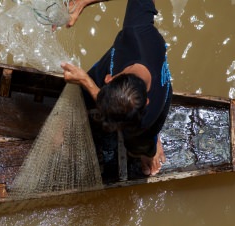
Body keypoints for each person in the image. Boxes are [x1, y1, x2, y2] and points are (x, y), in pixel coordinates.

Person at [60, 0, 172, 176]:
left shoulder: (145, 117)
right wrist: (83, 3)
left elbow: (120, 116)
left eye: (107, 81)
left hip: (148, 119)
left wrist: (86, 81)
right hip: (115, 67)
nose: (106, 78)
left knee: (137, 145)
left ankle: (149, 148)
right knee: (83, 95)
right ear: (110, 79)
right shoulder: (137, 29)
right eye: (109, 81)